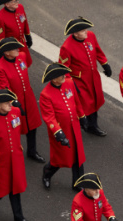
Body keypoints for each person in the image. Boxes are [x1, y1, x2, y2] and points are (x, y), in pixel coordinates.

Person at [0, 88, 34, 221]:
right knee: (0, 190)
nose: (11, 104)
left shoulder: (15, 112)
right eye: (7, 103)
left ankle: (19, 217)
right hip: (1, 162)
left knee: (15, 189)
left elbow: (20, 128)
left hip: (15, 158)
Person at [0, 37, 45, 163]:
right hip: (14, 103)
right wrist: (15, 102)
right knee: (14, 129)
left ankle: (32, 151)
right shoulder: (0, 68)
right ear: (6, 52)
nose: (18, 49)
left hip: (28, 97)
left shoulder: (22, 56)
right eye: (14, 48)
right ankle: (11, 153)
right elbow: (4, 87)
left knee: (32, 125)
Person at [59, 17, 111, 137]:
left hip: (93, 78)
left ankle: (91, 125)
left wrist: (105, 64)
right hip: (79, 81)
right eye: (83, 30)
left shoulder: (90, 36)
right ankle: (83, 125)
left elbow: (97, 50)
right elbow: (63, 69)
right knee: (84, 104)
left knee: (94, 101)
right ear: (76, 34)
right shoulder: (67, 47)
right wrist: (71, 84)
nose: (86, 32)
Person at [39, 62, 87, 190]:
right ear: (54, 79)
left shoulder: (69, 83)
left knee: (78, 156)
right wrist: (59, 133)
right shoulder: (45, 95)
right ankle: (47, 171)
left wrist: (82, 116)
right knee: (60, 159)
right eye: (61, 75)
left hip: (74, 127)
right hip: (61, 131)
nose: (64, 76)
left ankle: (78, 183)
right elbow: (49, 117)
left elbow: (76, 101)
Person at [0, 0, 33, 67]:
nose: (17, 2)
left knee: (23, 66)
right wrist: (2, 54)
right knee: (14, 69)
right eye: (14, 1)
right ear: (7, 4)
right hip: (11, 50)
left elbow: (24, 22)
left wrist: (28, 36)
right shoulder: (0, 18)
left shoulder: (20, 7)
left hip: (21, 44)